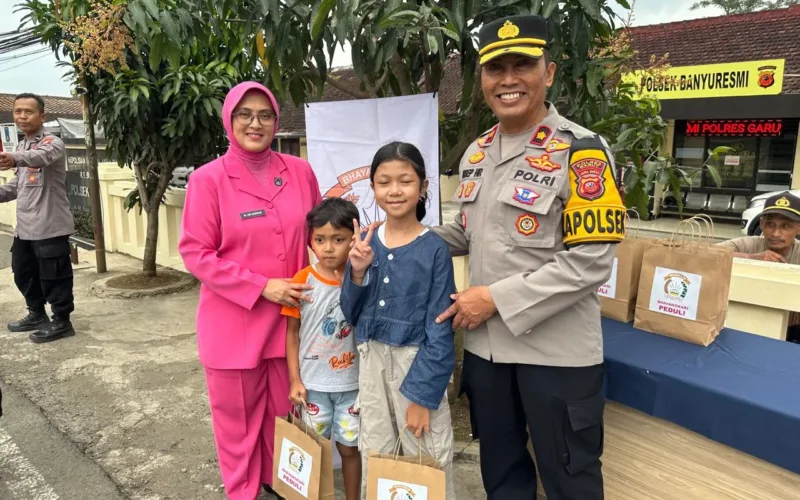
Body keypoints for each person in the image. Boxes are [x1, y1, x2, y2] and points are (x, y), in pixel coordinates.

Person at [433, 15, 625, 500]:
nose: (509, 79)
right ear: (482, 80)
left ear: (551, 72)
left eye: (523, 65)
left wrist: (494, 299)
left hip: (555, 354)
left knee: (570, 480)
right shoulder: (476, 153)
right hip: (487, 353)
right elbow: (467, 232)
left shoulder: (581, 152)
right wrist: (399, 241)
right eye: (496, 68)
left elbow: (591, 262)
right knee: (502, 477)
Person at [179, 81, 322, 500]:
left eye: (265, 115)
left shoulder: (300, 172)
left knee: (283, 420)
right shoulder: (209, 180)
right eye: (245, 114)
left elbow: (320, 234)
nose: (255, 123)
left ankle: (281, 487)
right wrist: (262, 286)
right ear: (229, 120)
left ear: (277, 121)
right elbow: (195, 253)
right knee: (239, 425)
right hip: (233, 326)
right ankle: (242, 492)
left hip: (291, 325)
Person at [340, 142, 457, 500]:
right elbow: (351, 313)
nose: (394, 190)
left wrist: (422, 397)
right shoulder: (366, 243)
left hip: (415, 367)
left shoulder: (434, 248)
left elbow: (440, 327)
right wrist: (357, 272)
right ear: (373, 188)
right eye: (384, 182)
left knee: (427, 458)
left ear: (423, 187)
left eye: (405, 181)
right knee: (378, 456)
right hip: (371, 361)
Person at [283, 197, 362, 500]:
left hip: (352, 386)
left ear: (353, 239)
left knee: (350, 448)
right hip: (312, 387)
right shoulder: (302, 282)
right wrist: (294, 379)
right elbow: (292, 334)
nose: (328, 248)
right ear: (311, 241)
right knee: (314, 449)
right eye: (320, 239)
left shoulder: (361, 279)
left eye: (338, 239)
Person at [0, 93, 76, 344]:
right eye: (17, 111)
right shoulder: (21, 145)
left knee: (55, 276)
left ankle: (62, 322)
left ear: (42, 116)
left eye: (28, 111)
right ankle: (36, 314)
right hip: (25, 229)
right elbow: (18, 186)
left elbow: (40, 157)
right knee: (23, 274)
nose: (22, 116)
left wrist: (14, 159)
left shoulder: (53, 143)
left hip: (50, 226)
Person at [717, 191, 800, 342]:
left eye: (786, 226)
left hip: (793, 330)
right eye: (770, 224)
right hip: (744, 325)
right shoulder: (745, 244)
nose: (776, 233)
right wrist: (750, 258)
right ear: (761, 224)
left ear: (798, 228)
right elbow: (703, 253)